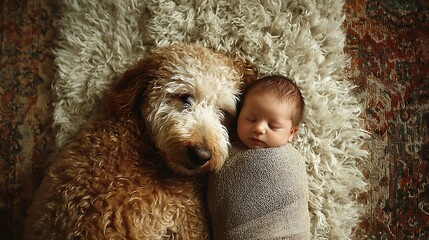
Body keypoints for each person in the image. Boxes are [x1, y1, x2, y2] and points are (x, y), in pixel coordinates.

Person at [207, 75, 311, 240]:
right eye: (251, 119)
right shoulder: (222, 148)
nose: (259, 128)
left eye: (273, 126)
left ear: (291, 133)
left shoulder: (290, 160)